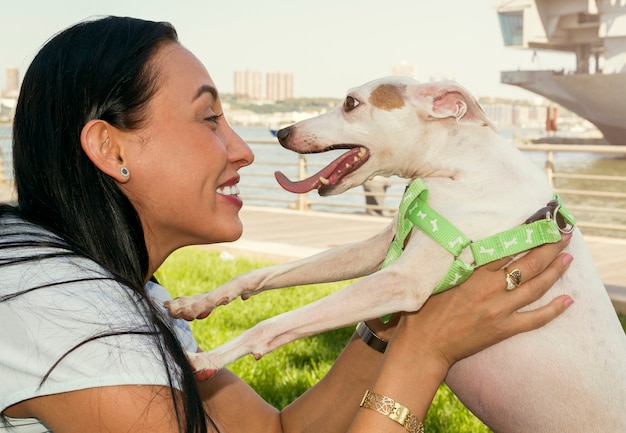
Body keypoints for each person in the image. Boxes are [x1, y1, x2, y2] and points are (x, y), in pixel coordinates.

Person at [0, 16, 574, 433]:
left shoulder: (131, 299)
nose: (244, 150)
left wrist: (390, 319)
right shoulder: (74, 316)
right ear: (109, 148)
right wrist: (423, 353)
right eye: (209, 119)